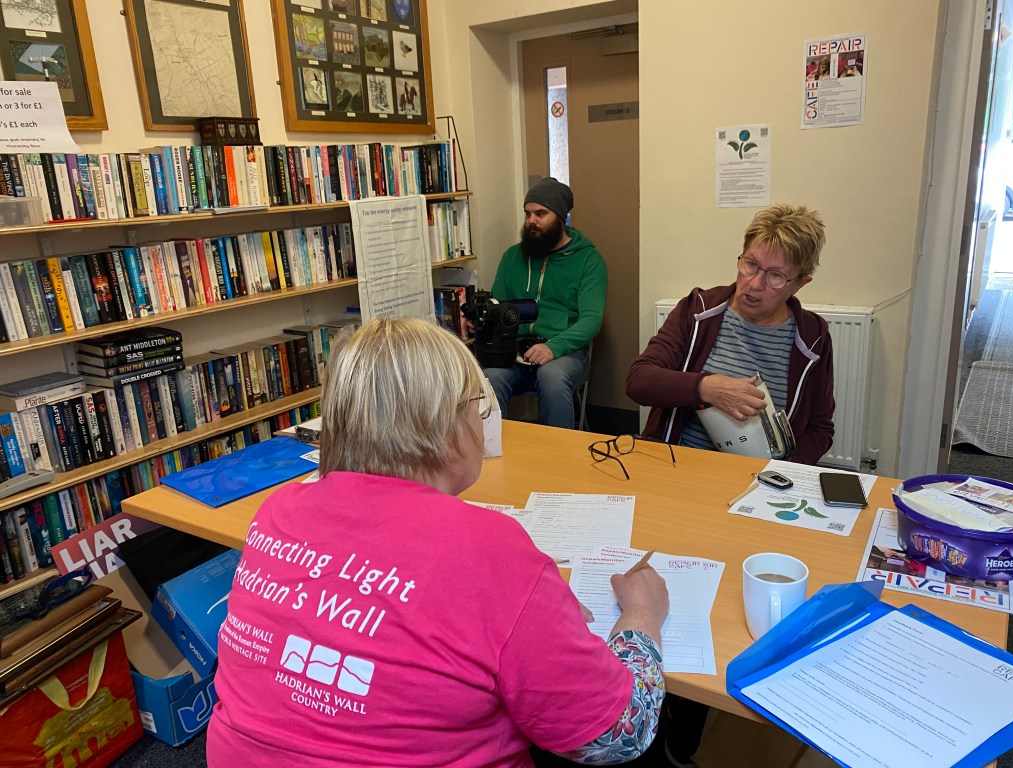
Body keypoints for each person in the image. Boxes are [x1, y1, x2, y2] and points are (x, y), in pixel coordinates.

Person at [207, 317, 668, 768]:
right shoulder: (490, 549)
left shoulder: (279, 508)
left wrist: (531, 611)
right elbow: (616, 736)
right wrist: (642, 613)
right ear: (445, 425)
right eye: (478, 406)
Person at [625, 203, 835, 466]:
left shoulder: (813, 337)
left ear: (800, 284)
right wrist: (705, 387)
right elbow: (638, 380)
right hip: (677, 465)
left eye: (776, 276)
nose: (754, 283)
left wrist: (783, 470)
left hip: (760, 478)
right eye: (751, 264)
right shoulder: (698, 310)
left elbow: (820, 428)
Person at [484, 177, 607, 429]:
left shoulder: (589, 260)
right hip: (515, 351)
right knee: (489, 378)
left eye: (541, 214)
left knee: (552, 376)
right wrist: (482, 319)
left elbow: (591, 320)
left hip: (565, 353)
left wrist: (553, 347)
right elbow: (498, 307)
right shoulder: (512, 257)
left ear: (560, 217)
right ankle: (492, 447)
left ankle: (559, 450)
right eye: (528, 213)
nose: (531, 221)